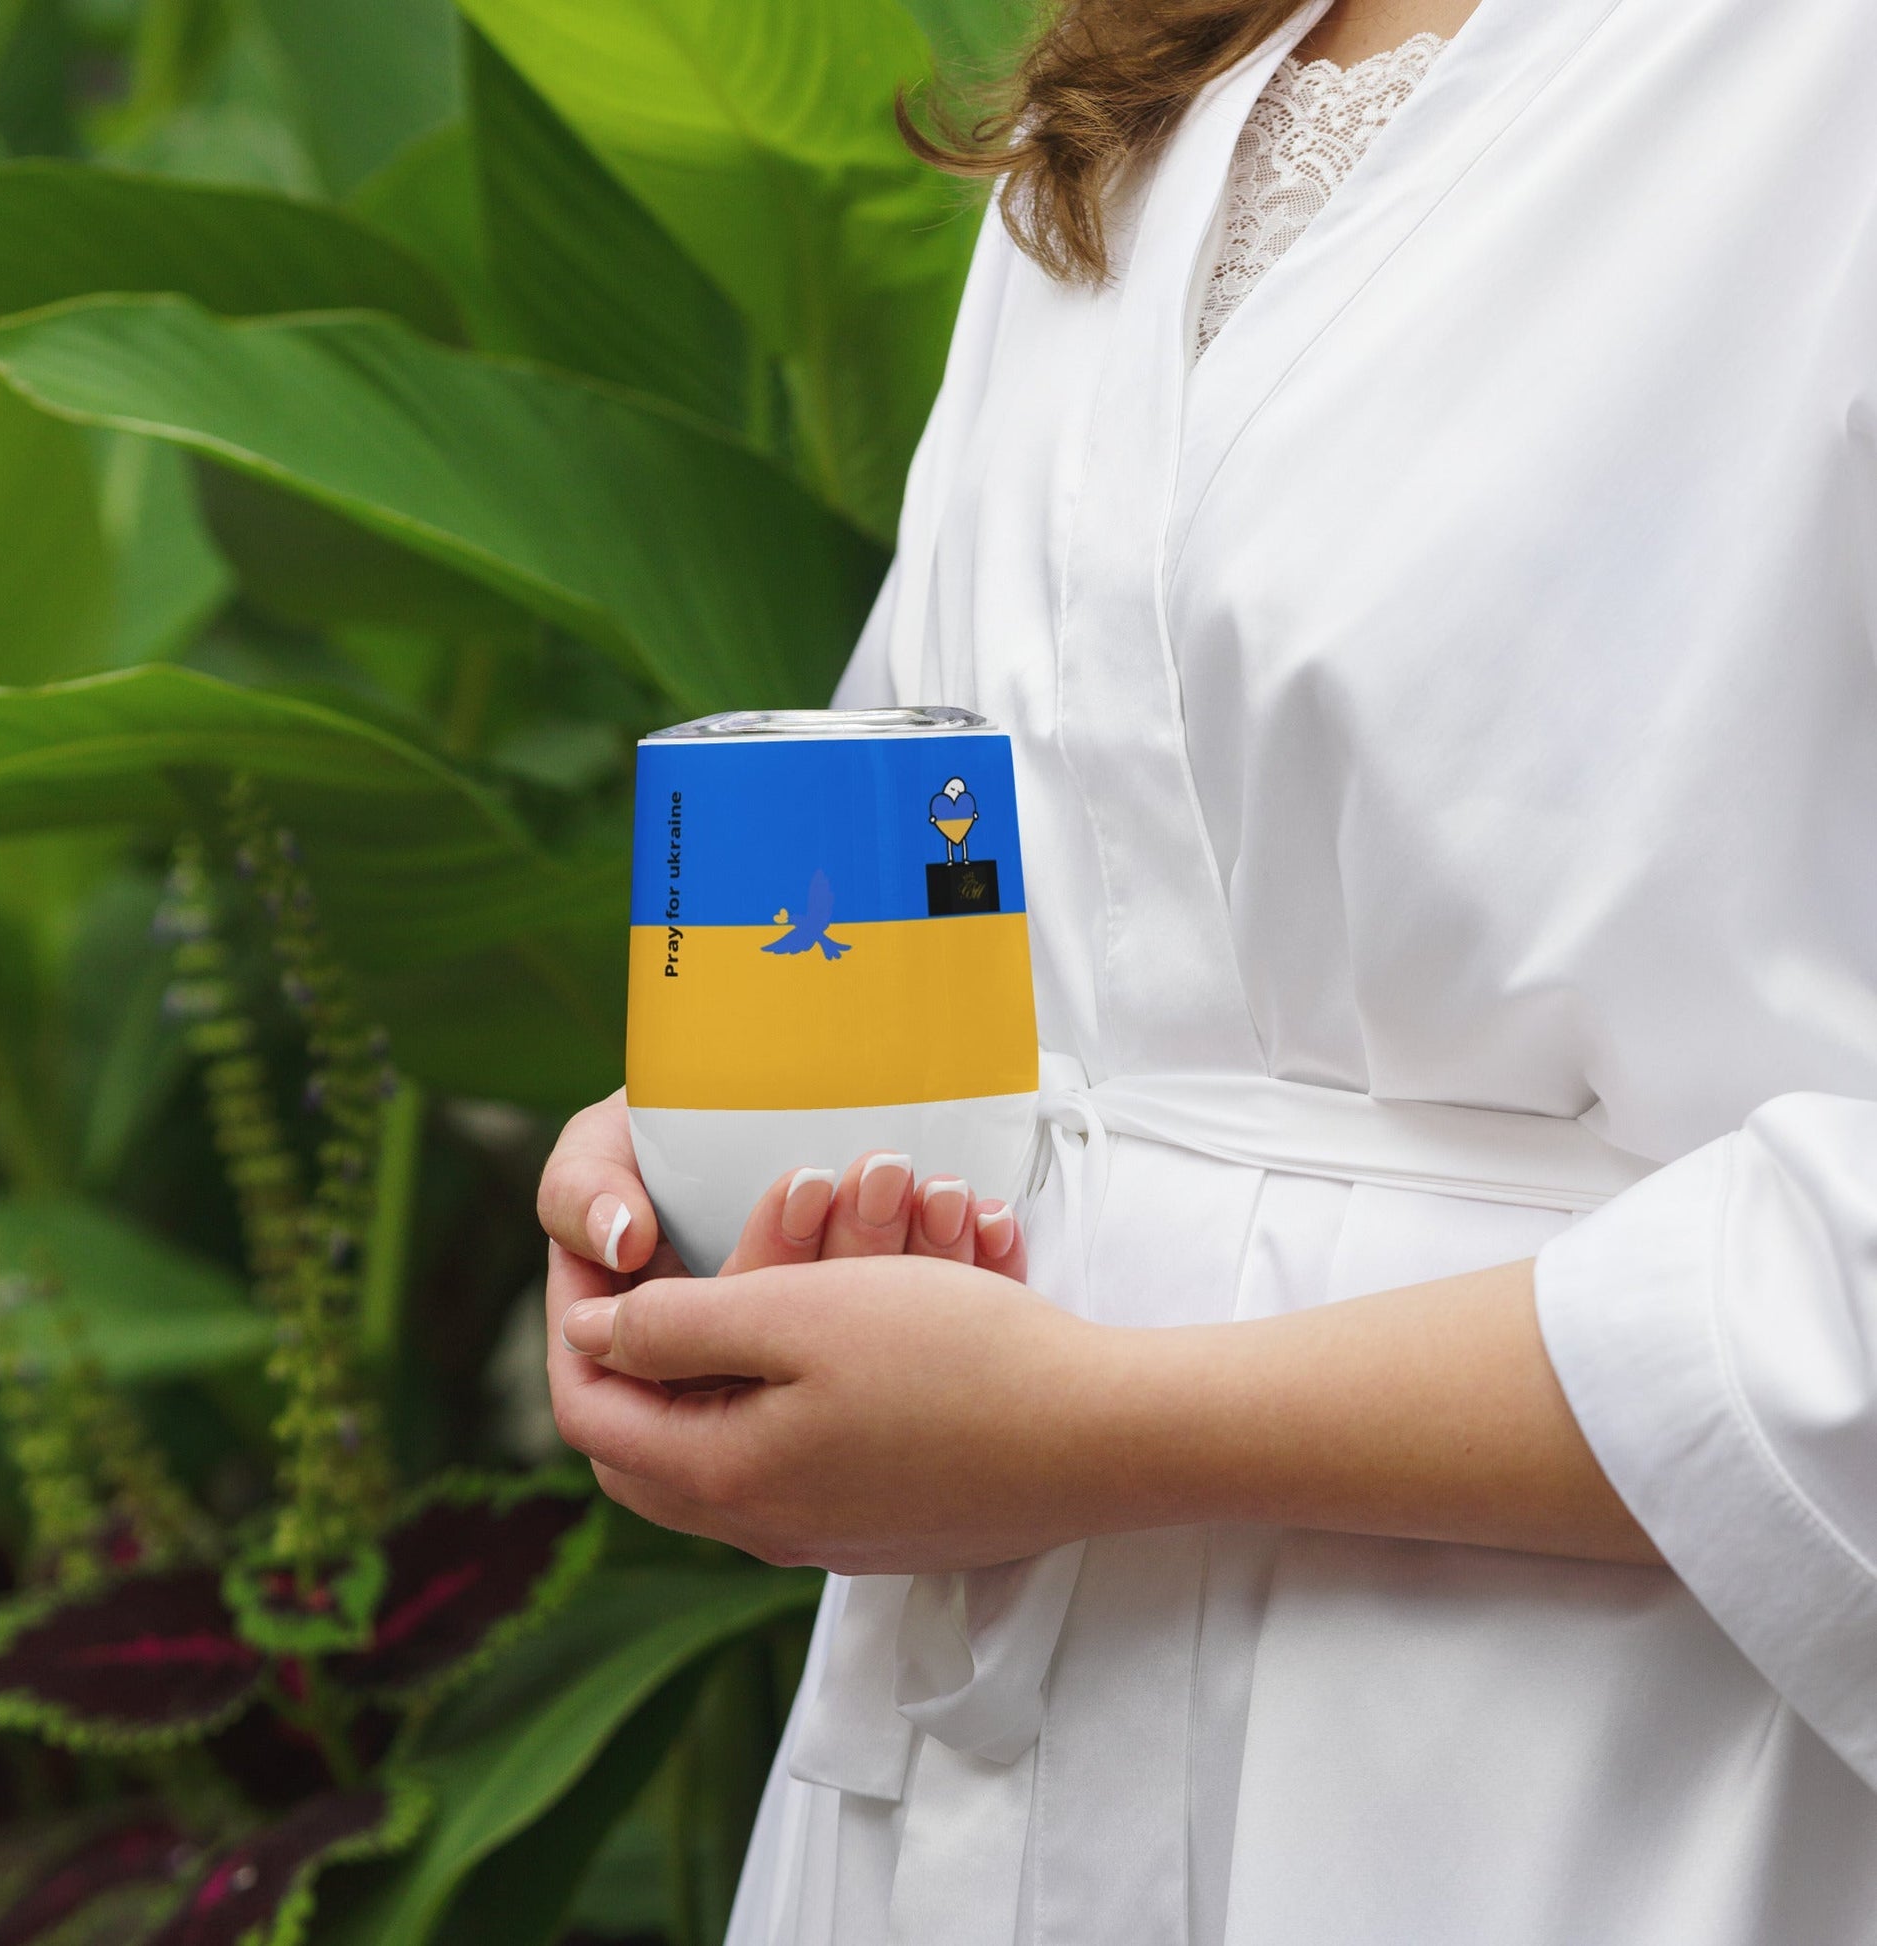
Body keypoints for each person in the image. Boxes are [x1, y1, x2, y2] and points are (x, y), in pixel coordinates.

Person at [538, 0, 1877, 1938]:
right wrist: (711, 1166)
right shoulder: (1153, 69)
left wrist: (1099, 1425)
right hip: (983, 1757)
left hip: (1587, 1770)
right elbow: (1013, 857)